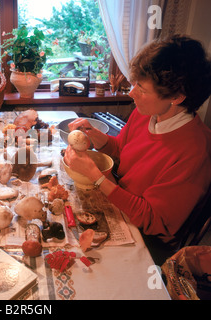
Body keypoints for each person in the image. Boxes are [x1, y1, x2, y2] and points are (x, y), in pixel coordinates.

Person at [64, 35, 211, 264]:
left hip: (147, 237)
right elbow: (122, 150)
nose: (132, 93)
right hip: (120, 201)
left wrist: (96, 177)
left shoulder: (195, 152)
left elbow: (152, 219)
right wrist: (96, 136)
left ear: (177, 97)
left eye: (141, 88)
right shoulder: (149, 114)